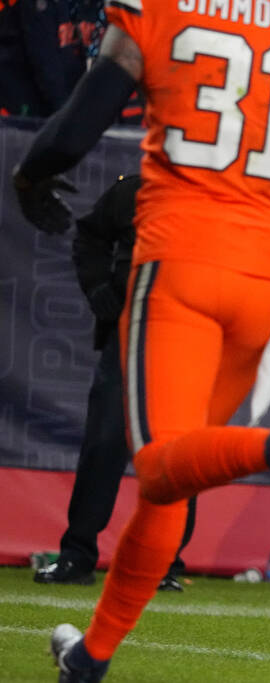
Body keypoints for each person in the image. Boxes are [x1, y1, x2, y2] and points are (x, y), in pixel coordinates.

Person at [11, 0, 270, 678]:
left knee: (158, 462)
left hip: (178, 265)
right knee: (172, 481)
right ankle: (90, 656)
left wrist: (29, 175)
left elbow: (76, 126)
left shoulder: (160, 7)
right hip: (261, 278)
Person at [33, 174, 196, 594]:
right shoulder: (137, 189)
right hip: (131, 333)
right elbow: (89, 234)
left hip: (191, 337)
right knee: (105, 440)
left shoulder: (223, 194)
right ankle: (77, 554)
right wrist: (97, 285)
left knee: (177, 451)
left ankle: (161, 560)